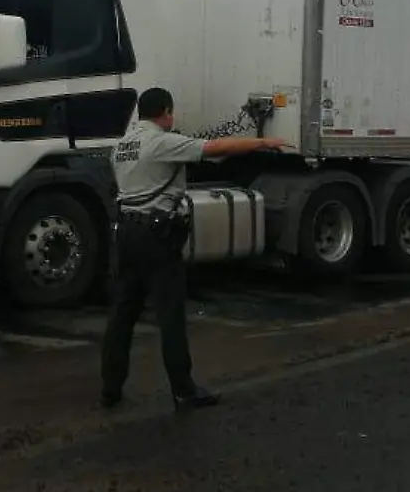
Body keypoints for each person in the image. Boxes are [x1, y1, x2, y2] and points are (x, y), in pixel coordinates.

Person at [101, 87, 287, 411]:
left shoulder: (121, 146)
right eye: (171, 113)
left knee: (122, 314)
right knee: (170, 314)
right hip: (157, 237)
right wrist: (263, 142)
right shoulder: (161, 141)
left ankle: (110, 388)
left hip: (127, 234)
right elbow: (215, 148)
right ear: (165, 112)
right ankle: (184, 391)